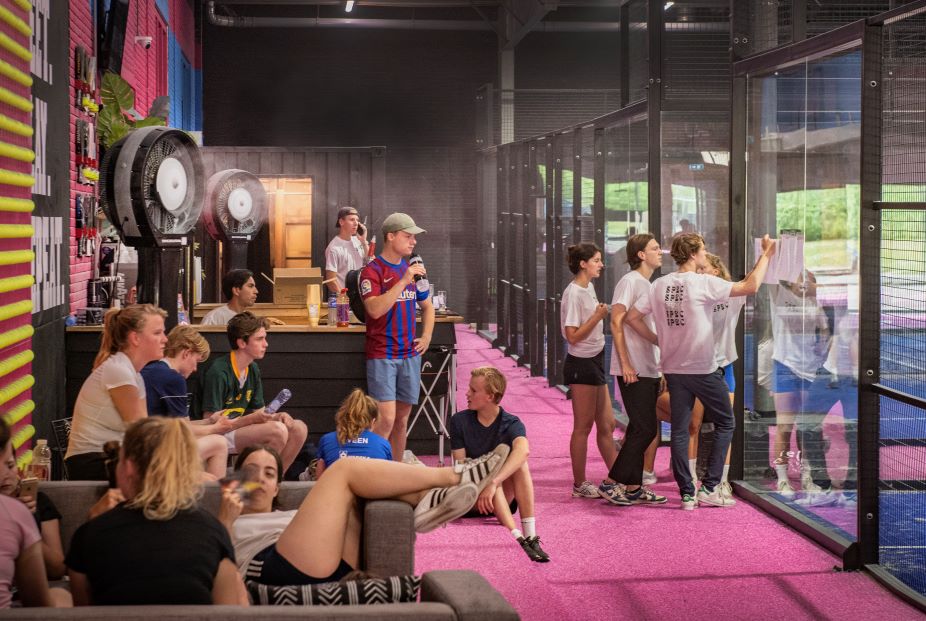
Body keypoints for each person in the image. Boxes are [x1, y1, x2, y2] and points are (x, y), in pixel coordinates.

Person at [625, 232, 776, 510]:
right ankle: (709, 487)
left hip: (673, 368)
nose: (705, 255)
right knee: (726, 422)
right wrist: (766, 254)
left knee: (680, 430)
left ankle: (687, 493)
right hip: (703, 369)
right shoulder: (703, 282)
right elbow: (751, 285)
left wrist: (659, 340)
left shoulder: (659, 285)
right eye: (703, 250)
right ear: (694, 254)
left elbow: (632, 317)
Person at [219, 442, 510, 585]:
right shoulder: (226, 518)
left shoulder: (297, 515)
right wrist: (225, 521)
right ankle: (453, 476)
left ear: (277, 488)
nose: (260, 479)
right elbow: (207, 564)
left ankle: (426, 502)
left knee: (363, 490)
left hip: (330, 565)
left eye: (269, 473)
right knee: (344, 469)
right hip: (269, 566)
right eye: (251, 472)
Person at [66, 417, 247, 606]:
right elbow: (226, 611)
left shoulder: (90, 535)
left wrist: (93, 522)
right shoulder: (214, 532)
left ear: (129, 468)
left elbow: (84, 611)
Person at [449, 367, 549, 562]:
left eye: (473, 390)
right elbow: (461, 468)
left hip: (499, 492)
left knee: (520, 464)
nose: (467, 393)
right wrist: (488, 482)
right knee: (491, 471)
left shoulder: (511, 423)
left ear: (490, 396)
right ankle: (517, 537)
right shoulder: (458, 421)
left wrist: (493, 483)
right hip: (470, 496)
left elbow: (524, 451)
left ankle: (530, 536)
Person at [597, 234, 667, 507]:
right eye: (654, 248)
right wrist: (625, 363)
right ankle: (611, 482)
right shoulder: (630, 281)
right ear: (640, 254)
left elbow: (637, 324)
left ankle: (634, 488)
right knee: (645, 429)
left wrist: (659, 353)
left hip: (648, 366)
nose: (660, 252)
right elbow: (616, 322)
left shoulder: (646, 284)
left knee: (642, 427)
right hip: (634, 368)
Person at [360, 212, 435, 461]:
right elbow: (374, 309)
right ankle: (373, 470)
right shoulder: (372, 270)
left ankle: (395, 470)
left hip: (409, 355)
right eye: (408, 236)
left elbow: (428, 307)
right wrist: (403, 281)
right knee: (385, 420)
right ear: (391, 237)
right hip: (382, 354)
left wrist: (426, 337)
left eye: (414, 237)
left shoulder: (413, 270)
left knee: (401, 421)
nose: (413, 241)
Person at [65, 304, 168, 480]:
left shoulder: (133, 374)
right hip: (93, 462)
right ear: (135, 338)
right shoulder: (118, 370)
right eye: (157, 333)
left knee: (210, 448)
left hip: (112, 458)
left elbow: (146, 428)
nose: (165, 339)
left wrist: (207, 428)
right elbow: (141, 431)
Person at [201, 312, 308, 472]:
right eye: (259, 339)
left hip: (237, 429)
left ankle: (275, 480)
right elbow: (210, 422)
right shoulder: (218, 371)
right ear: (242, 343)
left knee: (298, 428)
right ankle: (255, 481)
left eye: (265, 338)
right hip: (215, 435)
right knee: (277, 431)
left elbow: (259, 413)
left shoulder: (252, 368)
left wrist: (276, 416)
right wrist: (252, 419)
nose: (266, 344)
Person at [560, 242, 618, 499]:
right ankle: (579, 484)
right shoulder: (573, 293)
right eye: (596, 260)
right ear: (583, 264)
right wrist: (597, 316)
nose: (601, 264)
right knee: (583, 426)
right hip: (581, 363)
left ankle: (621, 478)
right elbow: (572, 336)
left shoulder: (589, 287)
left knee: (607, 424)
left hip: (596, 359)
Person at [141, 324, 232, 479]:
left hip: (145, 444)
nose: (195, 368)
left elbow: (179, 425)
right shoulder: (173, 378)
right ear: (186, 353)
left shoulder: (151, 369)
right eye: (196, 361)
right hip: (154, 451)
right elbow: (184, 431)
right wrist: (215, 428)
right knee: (219, 443)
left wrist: (209, 421)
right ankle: (213, 493)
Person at [0, 419, 53, 608]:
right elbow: (39, 605)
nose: (7, 474)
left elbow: (56, 566)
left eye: (10, 465)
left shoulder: (36, 504)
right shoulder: (12, 513)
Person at [314, 388, 392, 478]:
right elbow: (387, 478)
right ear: (373, 421)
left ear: (343, 416)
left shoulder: (326, 440)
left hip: (338, 486)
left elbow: (320, 479)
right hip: (370, 486)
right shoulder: (383, 444)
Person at [325, 206, 369, 294]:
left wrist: (364, 242)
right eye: (352, 220)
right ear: (341, 222)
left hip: (361, 295)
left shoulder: (359, 241)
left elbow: (372, 261)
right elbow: (331, 281)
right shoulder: (334, 248)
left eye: (357, 220)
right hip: (346, 297)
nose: (356, 223)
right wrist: (343, 297)